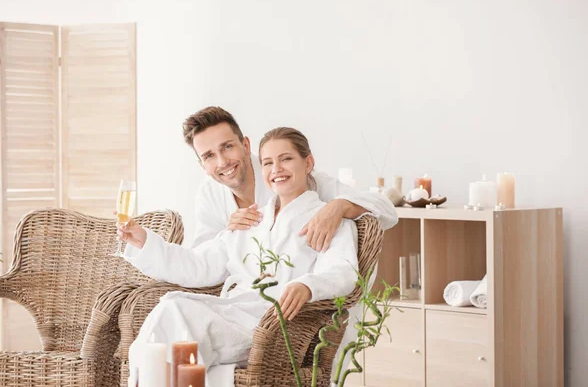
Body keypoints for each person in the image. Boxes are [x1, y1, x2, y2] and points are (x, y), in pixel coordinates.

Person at [120, 127, 361, 386]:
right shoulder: (253, 218)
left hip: (273, 328)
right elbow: (200, 264)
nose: (276, 169)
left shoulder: (328, 219)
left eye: (286, 159)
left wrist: (307, 285)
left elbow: (343, 271)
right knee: (167, 318)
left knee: (175, 314)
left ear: (308, 162)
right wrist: (146, 242)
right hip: (233, 317)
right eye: (268, 162)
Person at [184, 106, 397, 251]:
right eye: (209, 156)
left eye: (228, 147)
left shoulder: (285, 176)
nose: (222, 162)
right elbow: (203, 257)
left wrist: (340, 206)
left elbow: (387, 211)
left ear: (246, 146)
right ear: (202, 165)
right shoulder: (209, 194)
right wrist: (228, 234)